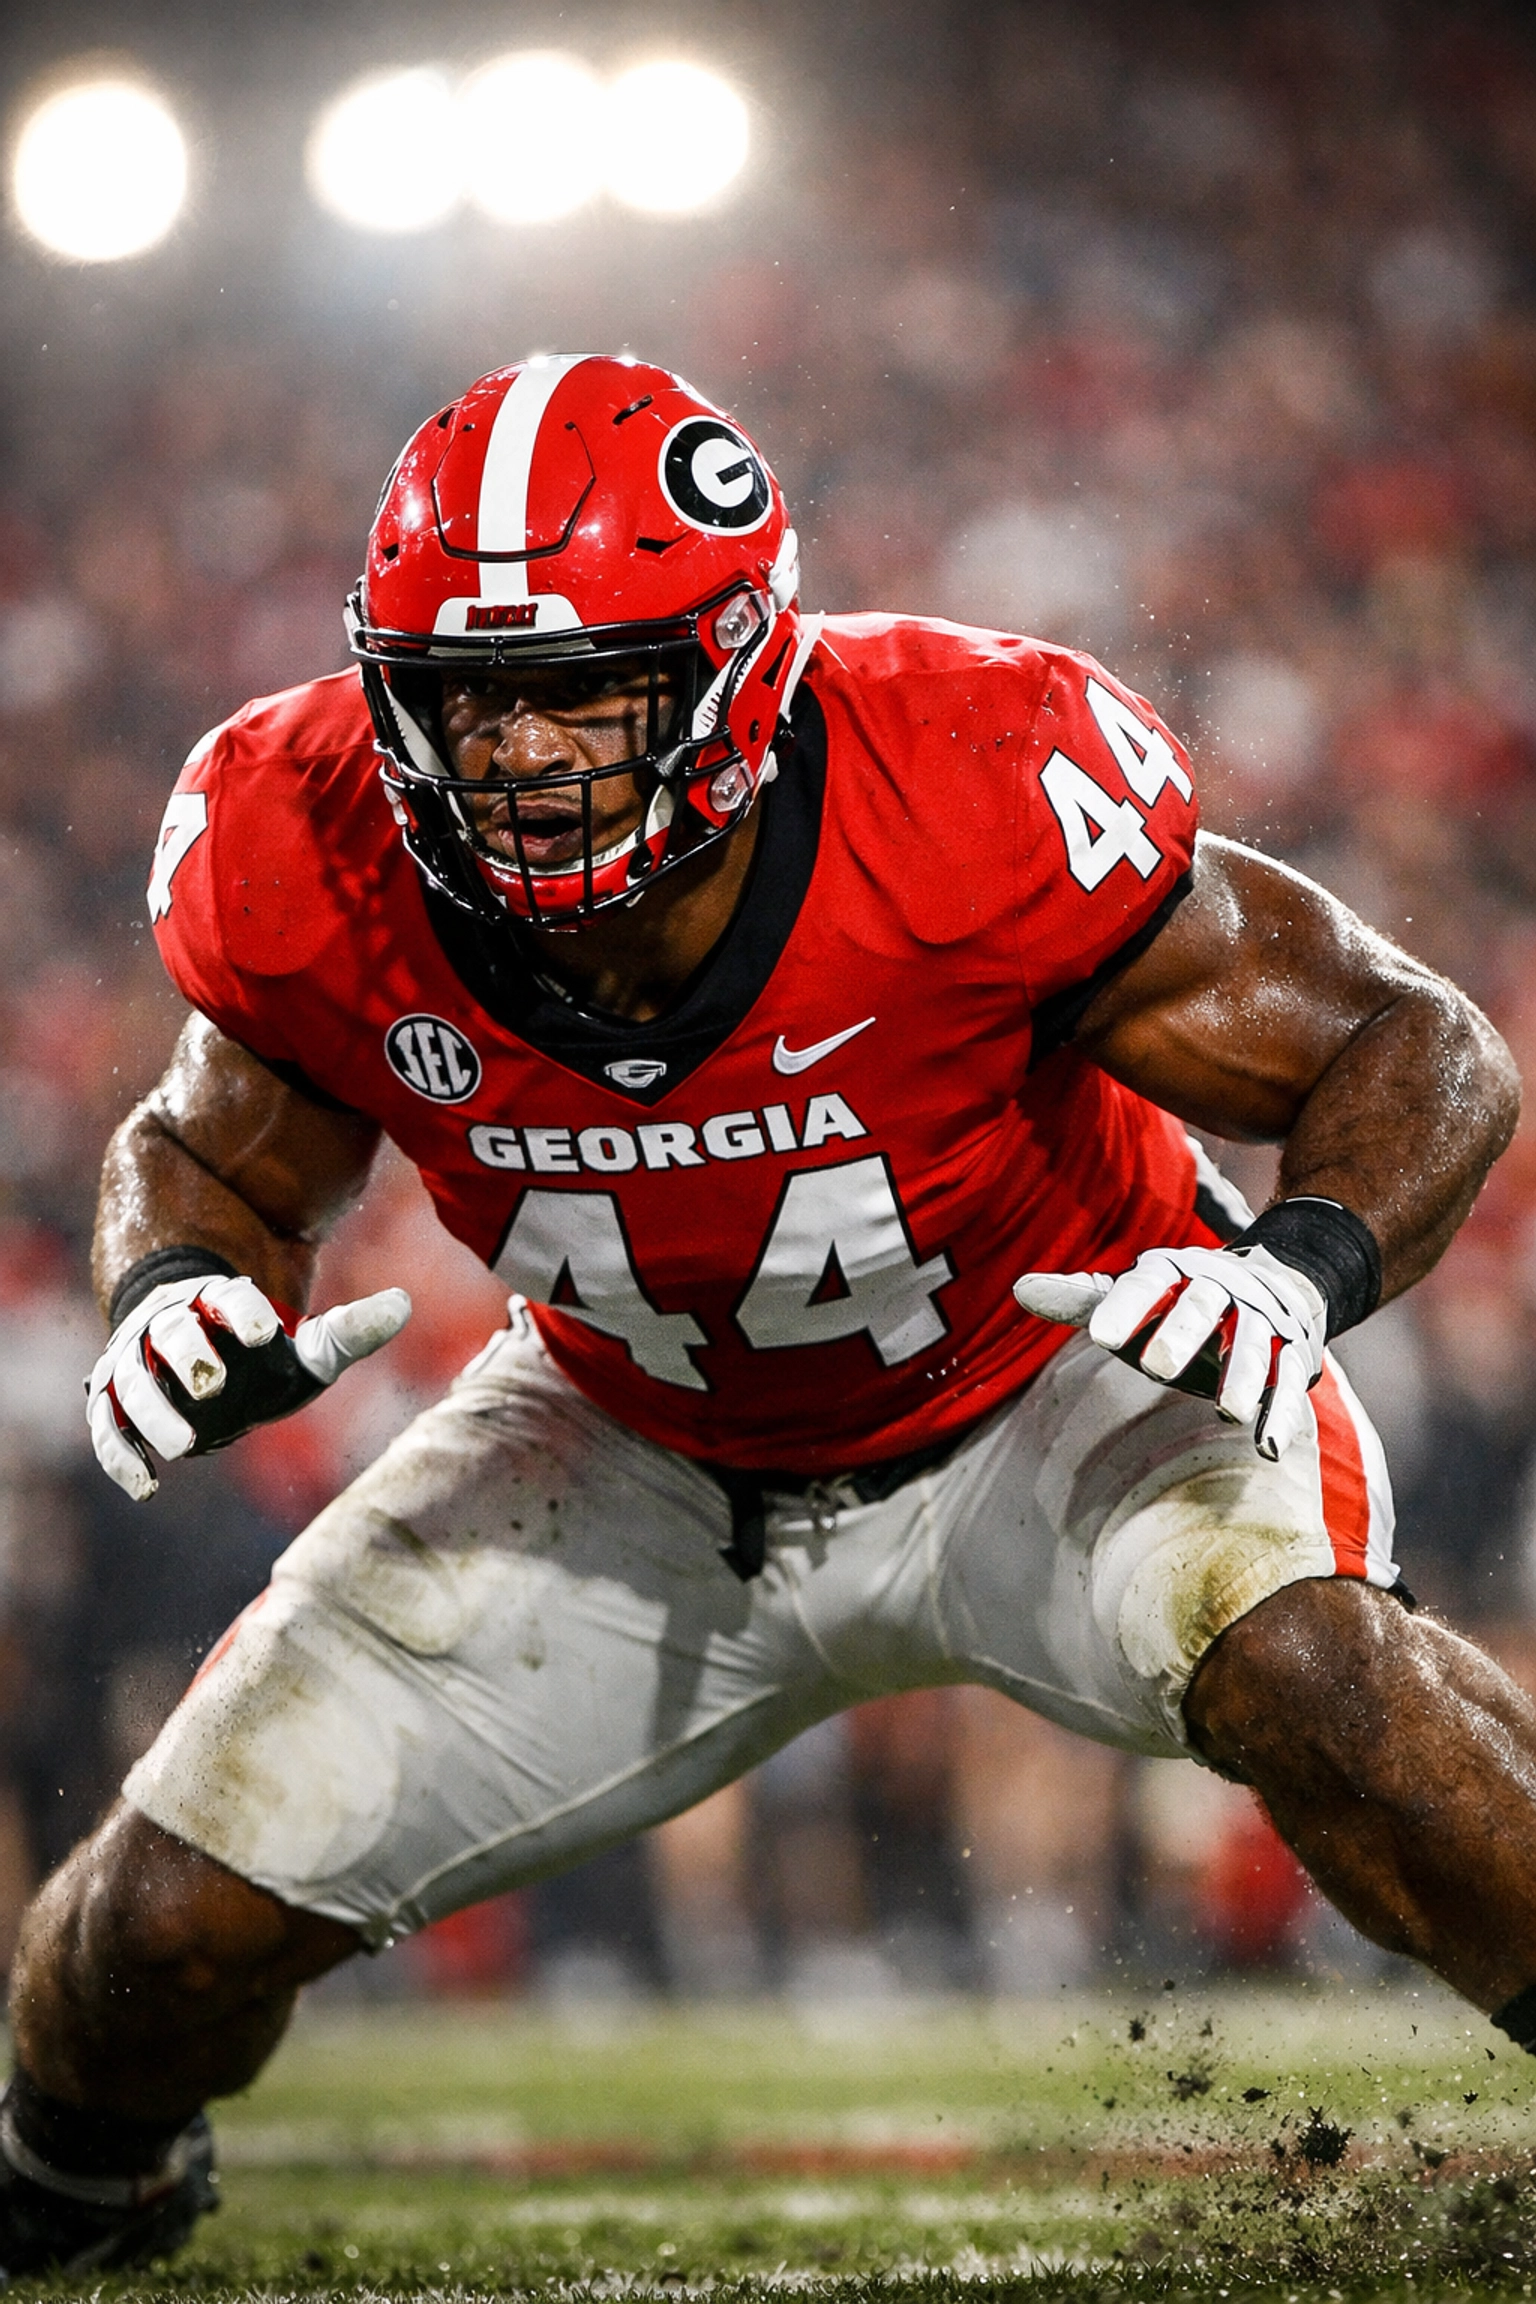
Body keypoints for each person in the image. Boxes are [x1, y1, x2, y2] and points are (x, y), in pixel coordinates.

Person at [0, 351, 1528, 2271]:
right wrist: (174, 1285)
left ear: (733, 669)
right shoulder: (308, 837)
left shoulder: (958, 779)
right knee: (149, 1932)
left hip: (1051, 1381)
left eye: (587, 692)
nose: (518, 756)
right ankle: (75, 2201)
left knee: (1333, 1686)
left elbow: (1418, 1043)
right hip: (624, 1441)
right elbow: (209, 1147)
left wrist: (1293, 1266)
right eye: (467, 699)